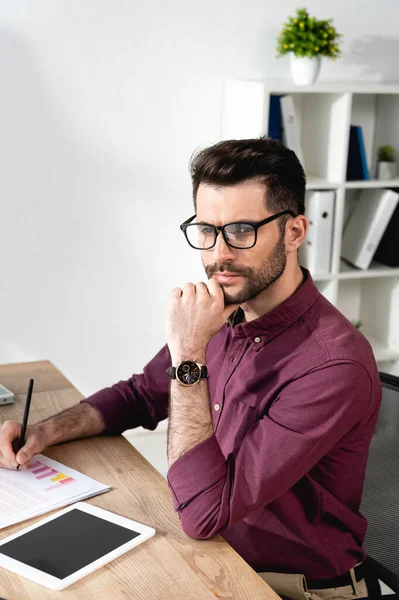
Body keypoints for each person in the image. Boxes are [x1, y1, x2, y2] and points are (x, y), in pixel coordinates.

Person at [0, 137, 381, 600]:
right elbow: (140, 395)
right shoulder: (226, 308)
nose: (218, 254)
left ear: (295, 231)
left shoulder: (331, 365)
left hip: (293, 589)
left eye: (241, 230)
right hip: (217, 557)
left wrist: (188, 356)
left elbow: (204, 513)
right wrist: (45, 431)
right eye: (206, 230)